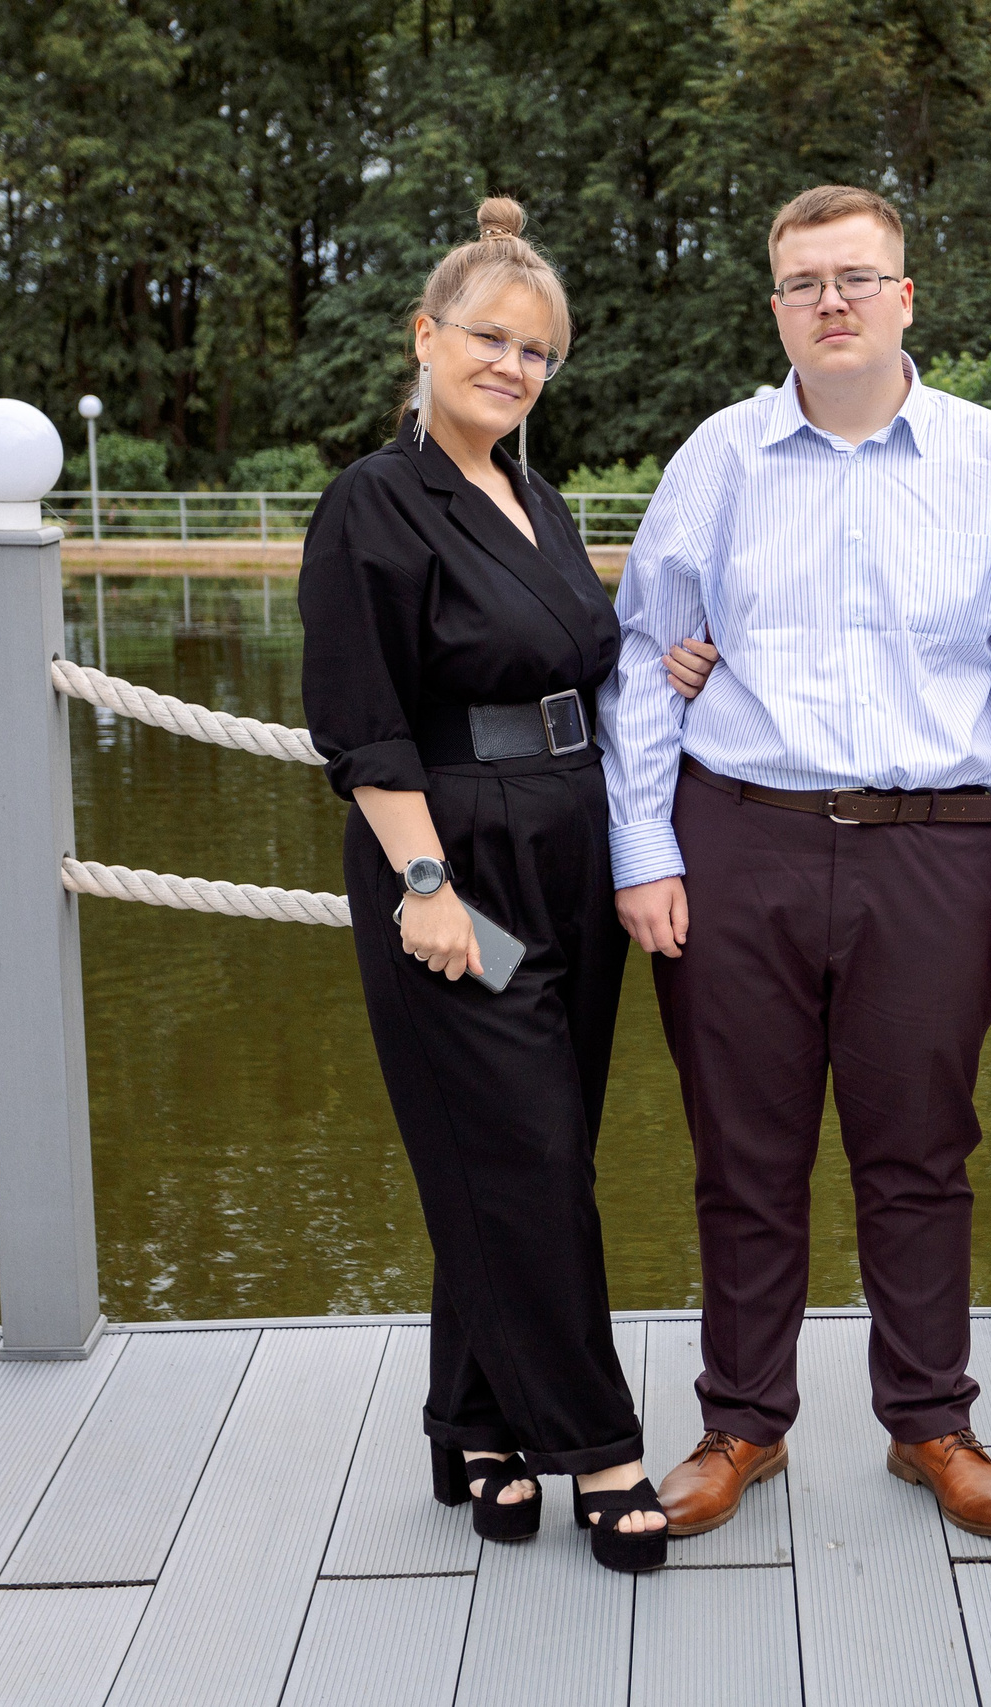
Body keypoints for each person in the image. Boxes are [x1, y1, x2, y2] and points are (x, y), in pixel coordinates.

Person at [601, 184, 991, 1541]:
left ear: (907, 297)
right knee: (742, 1154)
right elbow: (649, 656)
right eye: (805, 281)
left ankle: (929, 1421)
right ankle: (742, 1426)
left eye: (858, 277)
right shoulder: (721, 458)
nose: (832, 301)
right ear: (775, 306)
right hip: (737, 837)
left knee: (920, 1152)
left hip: (936, 855)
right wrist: (643, 845)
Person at [299, 196, 668, 1574]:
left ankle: (478, 1423)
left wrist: (663, 663)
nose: (513, 368)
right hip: (460, 861)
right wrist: (427, 884)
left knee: (530, 1150)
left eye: (538, 353)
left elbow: (577, 655)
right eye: (491, 340)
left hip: (569, 847)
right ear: (429, 336)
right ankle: (600, 1451)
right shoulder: (373, 505)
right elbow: (361, 720)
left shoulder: (541, 499)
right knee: (519, 1153)